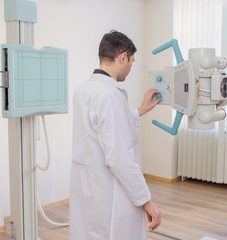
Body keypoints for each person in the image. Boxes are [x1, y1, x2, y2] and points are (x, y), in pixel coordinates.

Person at [69, 30, 162, 240]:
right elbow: (120, 157)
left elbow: (102, 127)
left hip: (89, 188)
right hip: (108, 193)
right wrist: (146, 200)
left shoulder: (83, 90)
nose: (130, 67)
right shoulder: (110, 94)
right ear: (122, 57)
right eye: (131, 61)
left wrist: (140, 110)